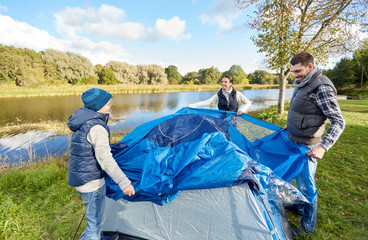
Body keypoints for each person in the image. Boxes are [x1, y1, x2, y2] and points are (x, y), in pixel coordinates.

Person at [283, 52, 345, 235]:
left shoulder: (321, 87)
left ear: (310, 67)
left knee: (306, 186)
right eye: (293, 71)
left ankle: (307, 227)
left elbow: (339, 121)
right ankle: (301, 208)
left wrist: (323, 146)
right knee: (296, 181)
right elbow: (305, 110)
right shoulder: (302, 83)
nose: (294, 75)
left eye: (298, 71)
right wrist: (291, 125)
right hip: (294, 141)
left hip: (308, 148)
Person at [67, 88, 135, 240]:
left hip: (80, 178)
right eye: (107, 104)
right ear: (98, 105)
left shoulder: (83, 121)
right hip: (92, 183)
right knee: (94, 224)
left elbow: (86, 149)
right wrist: (124, 183)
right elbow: (105, 159)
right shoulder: (97, 127)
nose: (109, 106)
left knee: (95, 219)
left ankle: (101, 237)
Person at [185, 75, 251, 115]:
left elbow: (248, 102)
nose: (223, 83)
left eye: (225, 82)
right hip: (222, 121)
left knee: (232, 136)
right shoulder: (218, 95)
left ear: (231, 83)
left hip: (234, 121)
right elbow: (206, 102)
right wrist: (190, 106)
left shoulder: (237, 94)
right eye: (222, 82)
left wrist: (242, 110)